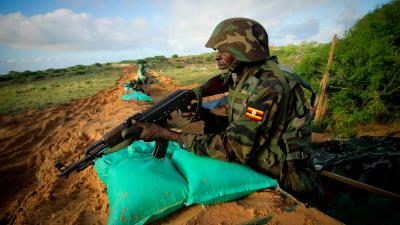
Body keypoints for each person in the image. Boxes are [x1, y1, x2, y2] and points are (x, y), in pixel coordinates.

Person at [135, 18, 323, 202]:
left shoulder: (269, 87)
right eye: (217, 50)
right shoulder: (247, 78)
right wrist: (204, 114)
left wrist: (169, 135)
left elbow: (234, 146)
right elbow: (241, 123)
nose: (217, 55)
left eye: (223, 50)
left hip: (288, 179)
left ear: (244, 51)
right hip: (265, 163)